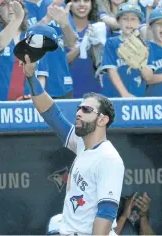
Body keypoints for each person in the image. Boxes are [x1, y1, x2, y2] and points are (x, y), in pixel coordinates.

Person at [22, 54, 125, 235]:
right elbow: (51, 114)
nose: (79, 112)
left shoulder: (109, 158)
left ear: (102, 120)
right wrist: (31, 77)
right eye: (79, 108)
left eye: (86, 109)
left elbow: (106, 214)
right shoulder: (81, 144)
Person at [0, 0, 47, 101]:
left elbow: (41, 74)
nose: (10, 7)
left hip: (25, 106)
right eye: (5, 4)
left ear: (22, 8)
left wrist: (35, 98)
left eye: (15, 3)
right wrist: (17, 18)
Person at [101, 2, 150, 98]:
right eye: (125, 18)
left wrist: (142, 63)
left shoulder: (145, 45)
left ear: (140, 23)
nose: (129, 22)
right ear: (118, 22)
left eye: (133, 19)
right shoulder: (112, 43)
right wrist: (125, 94)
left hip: (137, 96)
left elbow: (148, 77)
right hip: (114, 96)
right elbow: (111, 71)